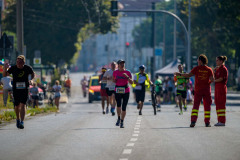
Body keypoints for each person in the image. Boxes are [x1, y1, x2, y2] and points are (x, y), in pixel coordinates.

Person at [174, 54, 214, 128]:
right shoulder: (209, 69)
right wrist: (207, 83)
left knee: (195, 106)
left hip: (198, 90)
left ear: (200, 61)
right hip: (206, 90)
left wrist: (179, 74)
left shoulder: (196, 69)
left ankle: (193, 121)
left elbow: (188, 75)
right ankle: (207, 123)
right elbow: (212, 80)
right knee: (207, 107)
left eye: (198, 60)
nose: (197, 61)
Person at [3, 55, 35, 129]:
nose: (18, 64)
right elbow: (5, 75)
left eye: (20, 62)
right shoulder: (13, 68)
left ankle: (22, 121)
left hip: (24, 89)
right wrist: (5, 68)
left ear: (23, 62)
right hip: (16, 89)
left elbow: (33, 74)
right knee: (17, 106)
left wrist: (31, 80)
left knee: (23, 104)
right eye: (17, 62)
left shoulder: (27, 68)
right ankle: (17, 119)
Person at [113, 59, 133, 128]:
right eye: (121, 63)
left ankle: (122, 121)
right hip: (118, 89)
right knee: (118, 105)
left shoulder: (128, 72)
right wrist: (114, 80)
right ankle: (118, 118)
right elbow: (114, 80)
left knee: (124, 107)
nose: (122, 64)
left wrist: (127, 77)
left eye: (123, 63)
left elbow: (132, 82)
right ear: (118, 65)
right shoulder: (115, 72)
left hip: (126, 90)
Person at [214, 56, 228, 126]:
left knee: (221, 105)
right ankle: (219, 120)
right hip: (217, 88)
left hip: (221, 88)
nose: (216, 61)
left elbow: (221, 79)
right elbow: (215, 77)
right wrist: (214, 70)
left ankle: (222, 121)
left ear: (221, 61)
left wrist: (214, 80)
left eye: (217, 60)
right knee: (217, 104)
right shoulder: (218, 69)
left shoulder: (223, 69)